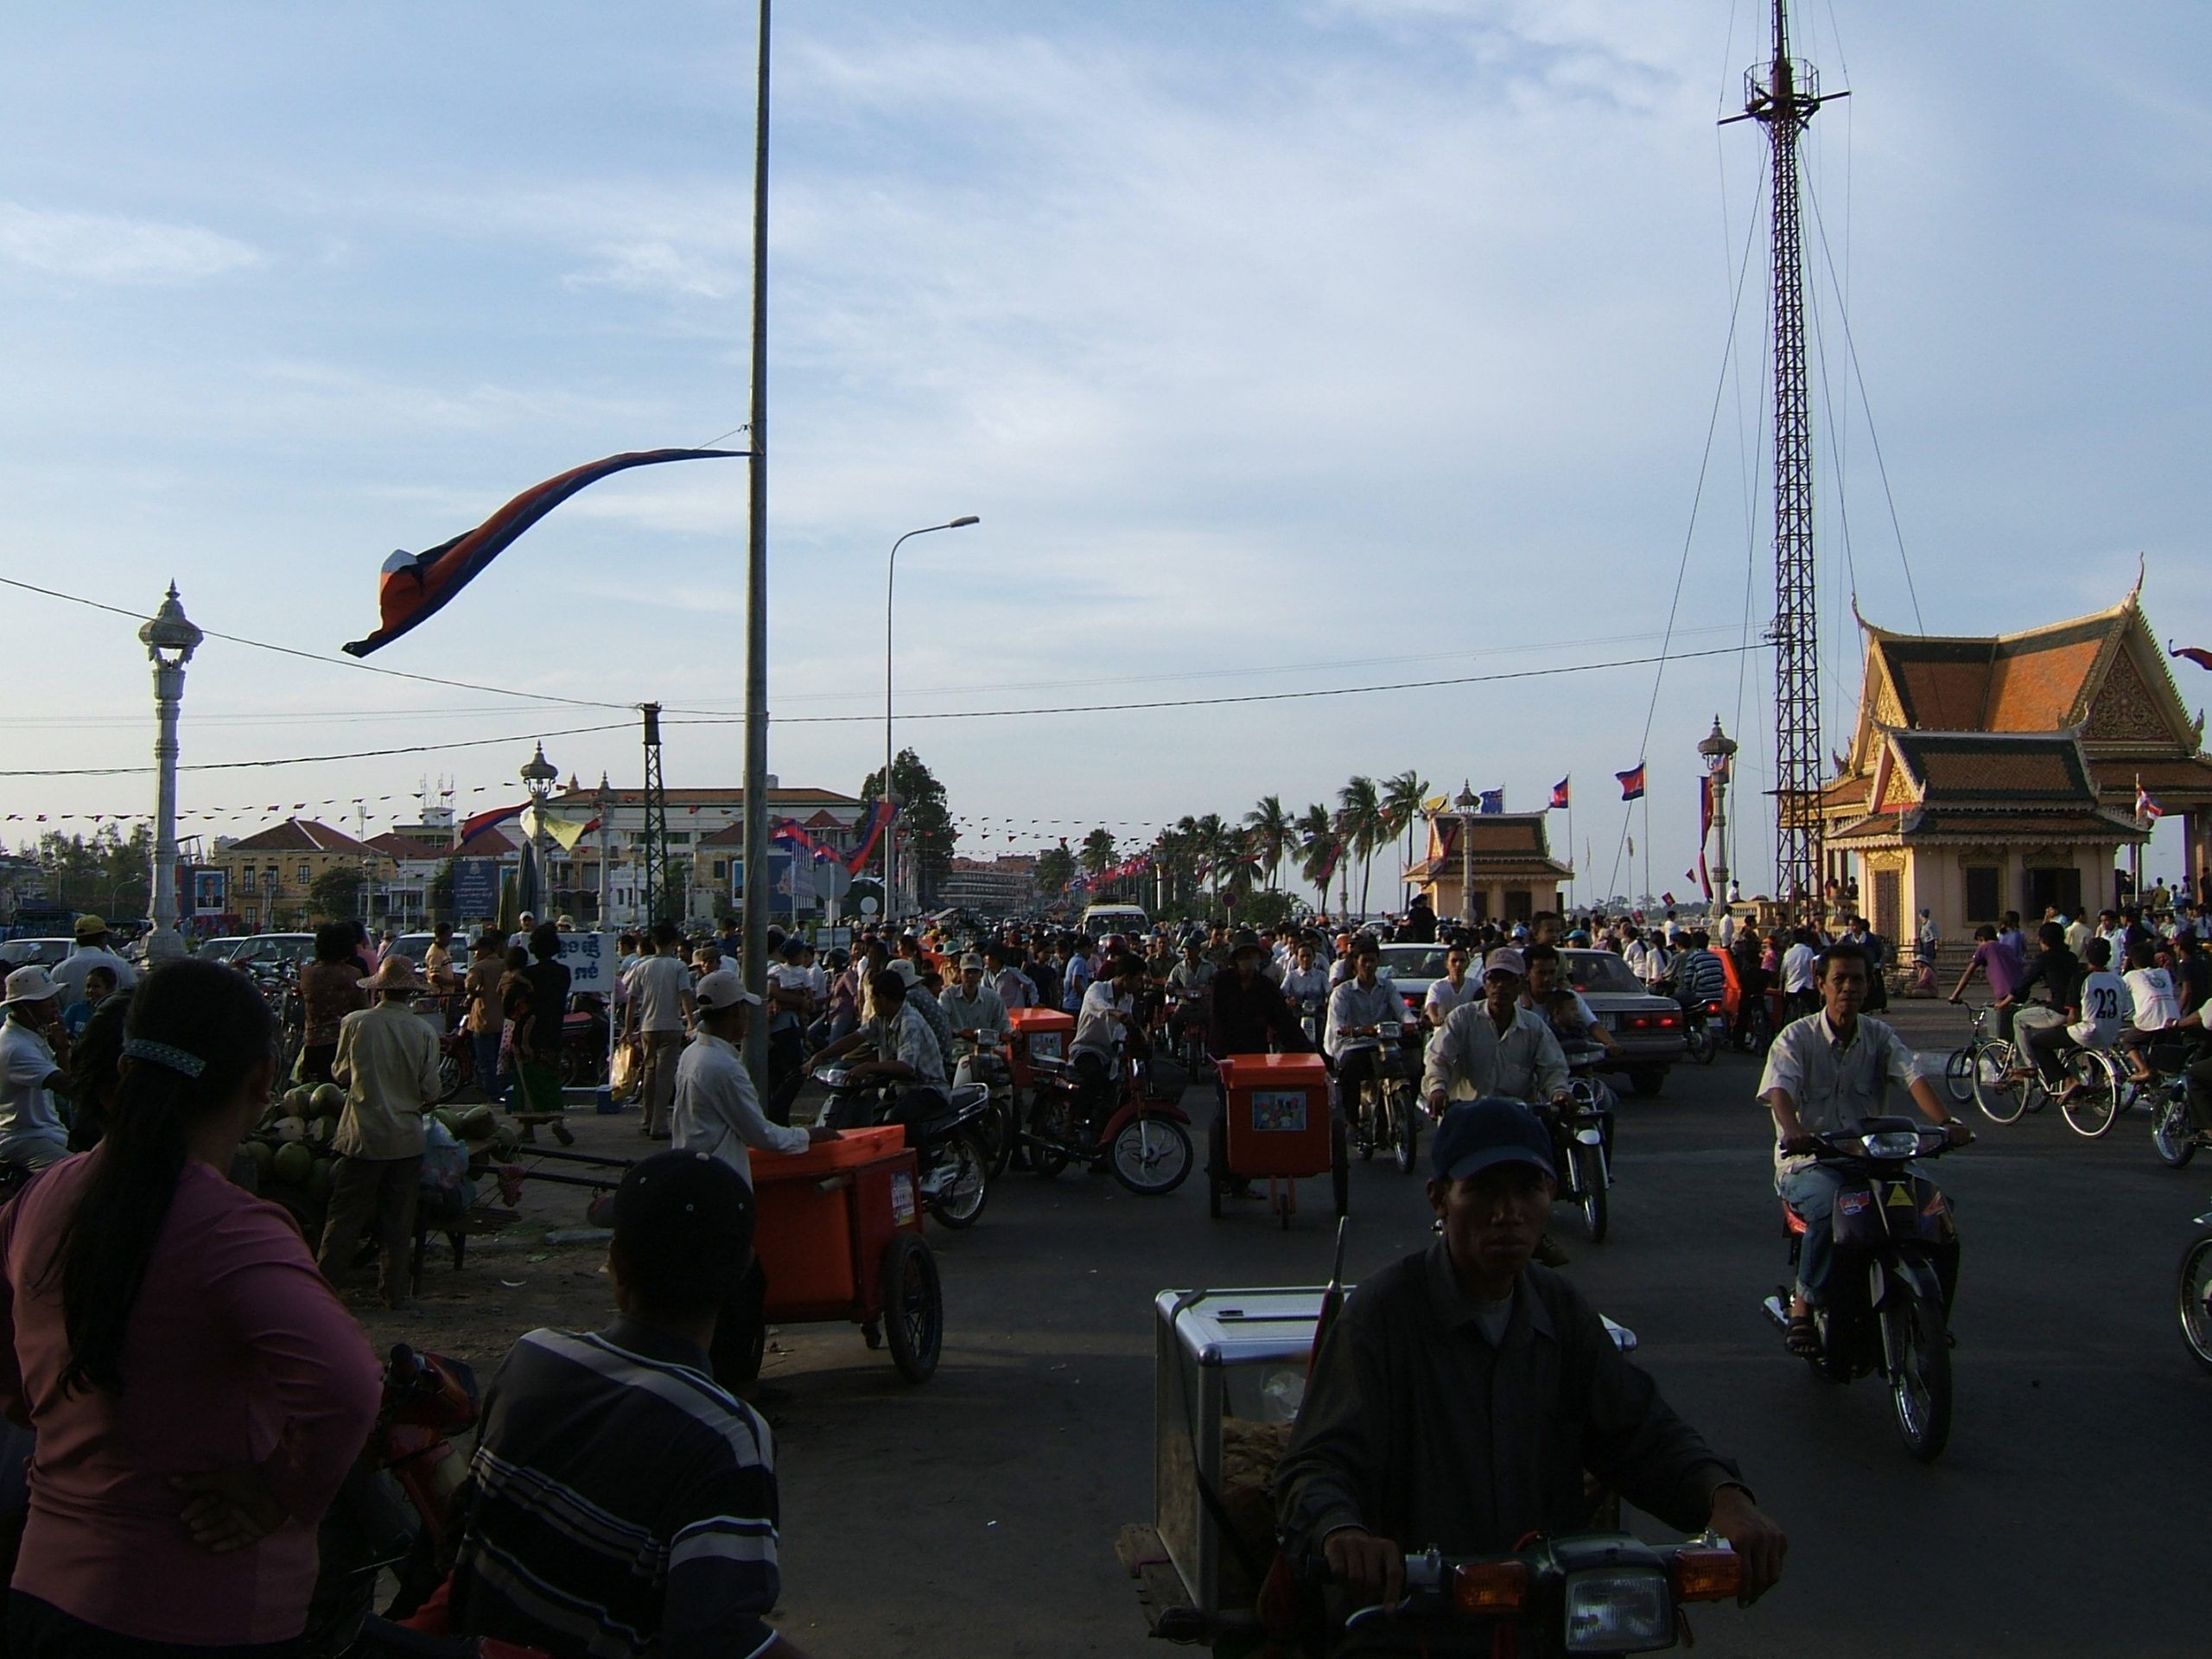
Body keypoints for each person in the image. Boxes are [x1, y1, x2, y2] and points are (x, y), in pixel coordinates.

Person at [1273, 1097, 1787, 1613]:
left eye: (1527, 1189)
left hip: (1543, 1613)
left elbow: (1640, 1430)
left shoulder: (1559, 1310)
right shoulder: (1380, 1317)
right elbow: (1318, 1464)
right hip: (1413, 1619)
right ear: (1439, 1199)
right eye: (1483, 1190)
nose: (1508, 1213)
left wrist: (1724, 1497)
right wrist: (1342, 1533)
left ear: (1551, 1194)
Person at [0, 958, 380, 1651]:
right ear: (263, 1080)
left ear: (123, 1067)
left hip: (45, 1592)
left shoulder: (44, 1194)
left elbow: (11, 1371)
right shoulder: (234, 1230)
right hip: (200, 1608)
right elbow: (348, 1387)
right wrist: (277, 1494)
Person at [447, 1151, 815, 1657]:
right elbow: (715, 1635)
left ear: (617, 1266)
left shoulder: (533, 1355)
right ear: (741, 1276)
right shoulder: (727, 1434)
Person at [1759, 942, 1970, 1353]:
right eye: (1840, 979)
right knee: (1829, 1208)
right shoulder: (1796, 1038)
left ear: (1869, 985)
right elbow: (1779, 1092)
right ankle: (1803, 1308)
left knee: (1937, 1211)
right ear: (1820, 984)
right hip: (1810, 1164)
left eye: (1858, 979)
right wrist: (1793, 1130)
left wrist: (1947, 1124)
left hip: (1874, 1159)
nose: (1849, 988)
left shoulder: (1880, 1036)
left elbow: (1912, 1078)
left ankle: (1933, 1317)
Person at [317, 954, 444, 1310]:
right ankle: (393, 1293)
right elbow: (431, 1092)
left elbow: (341, 1074)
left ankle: (324, 1290)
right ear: (410, 995)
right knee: (398, 1221)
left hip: (361, 1136)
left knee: (344, 1217)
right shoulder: (424, 1032)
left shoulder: (356, 1023)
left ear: (380, 991)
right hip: (405, 1139)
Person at [1421, 949, 1569, 1116]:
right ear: (1485, 984)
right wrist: (1437, 1088)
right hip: (1466, 1117)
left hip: (1517, 1118)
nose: (1500, 985)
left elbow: (1553, 1068)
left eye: (1508, 980)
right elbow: (1438, 1058)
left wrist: (1559, 1093)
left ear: (1520, 985)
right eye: (1494, 979)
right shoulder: (1462, 1017)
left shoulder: (1534, 1027)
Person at [1325, 939, 1404, 1129]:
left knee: (1412, 1065)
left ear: (1378, 962)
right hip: (1353, 1045)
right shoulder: (1342, 992)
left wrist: (1411, 1023)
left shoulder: (1388, 987)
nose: (1368, 965)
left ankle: (1402, 1109)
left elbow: (1402, 1011)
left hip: (1383, 1044)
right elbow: (1337, 1023)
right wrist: (1349, 1029)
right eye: (1364, 961)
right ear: (1355, 962)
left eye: (1372, 960)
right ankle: (1351, 1121)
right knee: (1350, 1068)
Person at [627, 922, 695, 1140]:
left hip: (647, 1026)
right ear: (674, 943)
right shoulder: (678, 967)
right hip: (671, 1026)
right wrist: (691, 1023)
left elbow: (631, 1000)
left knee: (649, 1072)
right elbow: (685, 995)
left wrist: (628, 1029)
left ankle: (646, 1120)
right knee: (665, 1076)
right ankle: (659, 1124)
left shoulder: (641, 966)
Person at [0, 969, 72, 1173]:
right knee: (84, 1183)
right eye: (45, 999)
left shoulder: (33, 1035)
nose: (54, 1004)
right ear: (24, 1006)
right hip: (25, 1138)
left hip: (47, 1132)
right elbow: (65, 1085)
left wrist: (63, 1049)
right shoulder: (15, 1047)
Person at [1999, 922, 2082, 1088]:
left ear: (2043, 941)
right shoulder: (2071, 957)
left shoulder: (2045, 958)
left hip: (2059, 1010)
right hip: (2077, 1010)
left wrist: (2005, 1001)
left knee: (2019, 1019)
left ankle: (2026, 1065)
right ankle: (2071, 1088)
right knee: (2065, 1048)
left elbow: (2026, 981)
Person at [298, 920, 370, 1088]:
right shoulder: (352, 974)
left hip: (313, 1043)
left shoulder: (307, 973)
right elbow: (362, 1010)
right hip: (343, 1046)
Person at [514, 922, 571, 1117]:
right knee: (551, 1076)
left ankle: (528, 1127)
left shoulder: (527, 975)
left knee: (527, 1079)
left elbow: (521, 1008)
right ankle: (557, 1118)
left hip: (529, 1033)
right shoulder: (564, 972)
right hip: (554, 1029)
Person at [2118, 938, 2182, 1084]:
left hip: (2149, 1021)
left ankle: (2143, 1070)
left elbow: (2118, 993)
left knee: (2128, 1041)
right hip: (2172, 1019)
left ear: (2133, 962)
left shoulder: (2131, 976)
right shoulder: (2163, 973)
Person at [43, 915, 138, 1011]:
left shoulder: (59, 970)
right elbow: (134, 998)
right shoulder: (120, 965)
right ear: (103, 938)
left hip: (70, 1024)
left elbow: (54, 1006)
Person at [462, 931, 508, 1104]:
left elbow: (470, 985)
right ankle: (501, 1090)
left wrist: (476, 992)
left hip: (483, 1020)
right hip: (503, 1020)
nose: (475, 954)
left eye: (477, 950)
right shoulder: (505, 965)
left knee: (486, 1062)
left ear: (486, 949)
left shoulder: (479, 967)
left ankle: (493, 1095)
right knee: (500, 1060)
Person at [1421, 943, 1479, 1029]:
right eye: (1454, 961)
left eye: (1462, 961)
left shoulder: (1476, 985)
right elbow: (1431, 1004)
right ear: (1446, 964)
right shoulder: (1437, 987)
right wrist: (1434, 1018)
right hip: (1443, 1035)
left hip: (1469, 1035)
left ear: (1468, 964)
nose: (1458, 964)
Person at [58, 965, 114, 1042]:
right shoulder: (75, 1009)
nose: (90, 991)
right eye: (88, 986)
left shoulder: (116, 1013)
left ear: (110, 989)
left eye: (96, 987)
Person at [423, 919, 461, 995]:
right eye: (447, 936)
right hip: (439, 995)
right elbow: (435, 977)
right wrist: (454, 983)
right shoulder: (435, 953)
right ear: (439, 936)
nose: (450, 938)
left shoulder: (444, 950)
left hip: (448, 994)